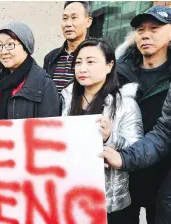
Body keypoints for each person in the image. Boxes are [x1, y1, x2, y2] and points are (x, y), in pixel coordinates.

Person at [61, 38, 143, 223]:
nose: (82, 68)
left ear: (109, 65)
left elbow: (138, 149)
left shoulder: (125, 104)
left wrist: (109, 137)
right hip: (72, 196)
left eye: (91, 62)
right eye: (78, 62)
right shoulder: (65, 99)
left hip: (110, 204)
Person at [114, 5, 171, 223]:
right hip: (124, 171)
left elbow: (169, 131)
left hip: (166, 174)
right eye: (141, 30)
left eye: (154, 29)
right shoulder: (118, 71)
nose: (145, 35)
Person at [43, 1, 92, 93]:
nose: (68, 24)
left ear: (88, 21)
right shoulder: (51, 57)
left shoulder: (96, 56)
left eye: (74, 18)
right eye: (65, 18)